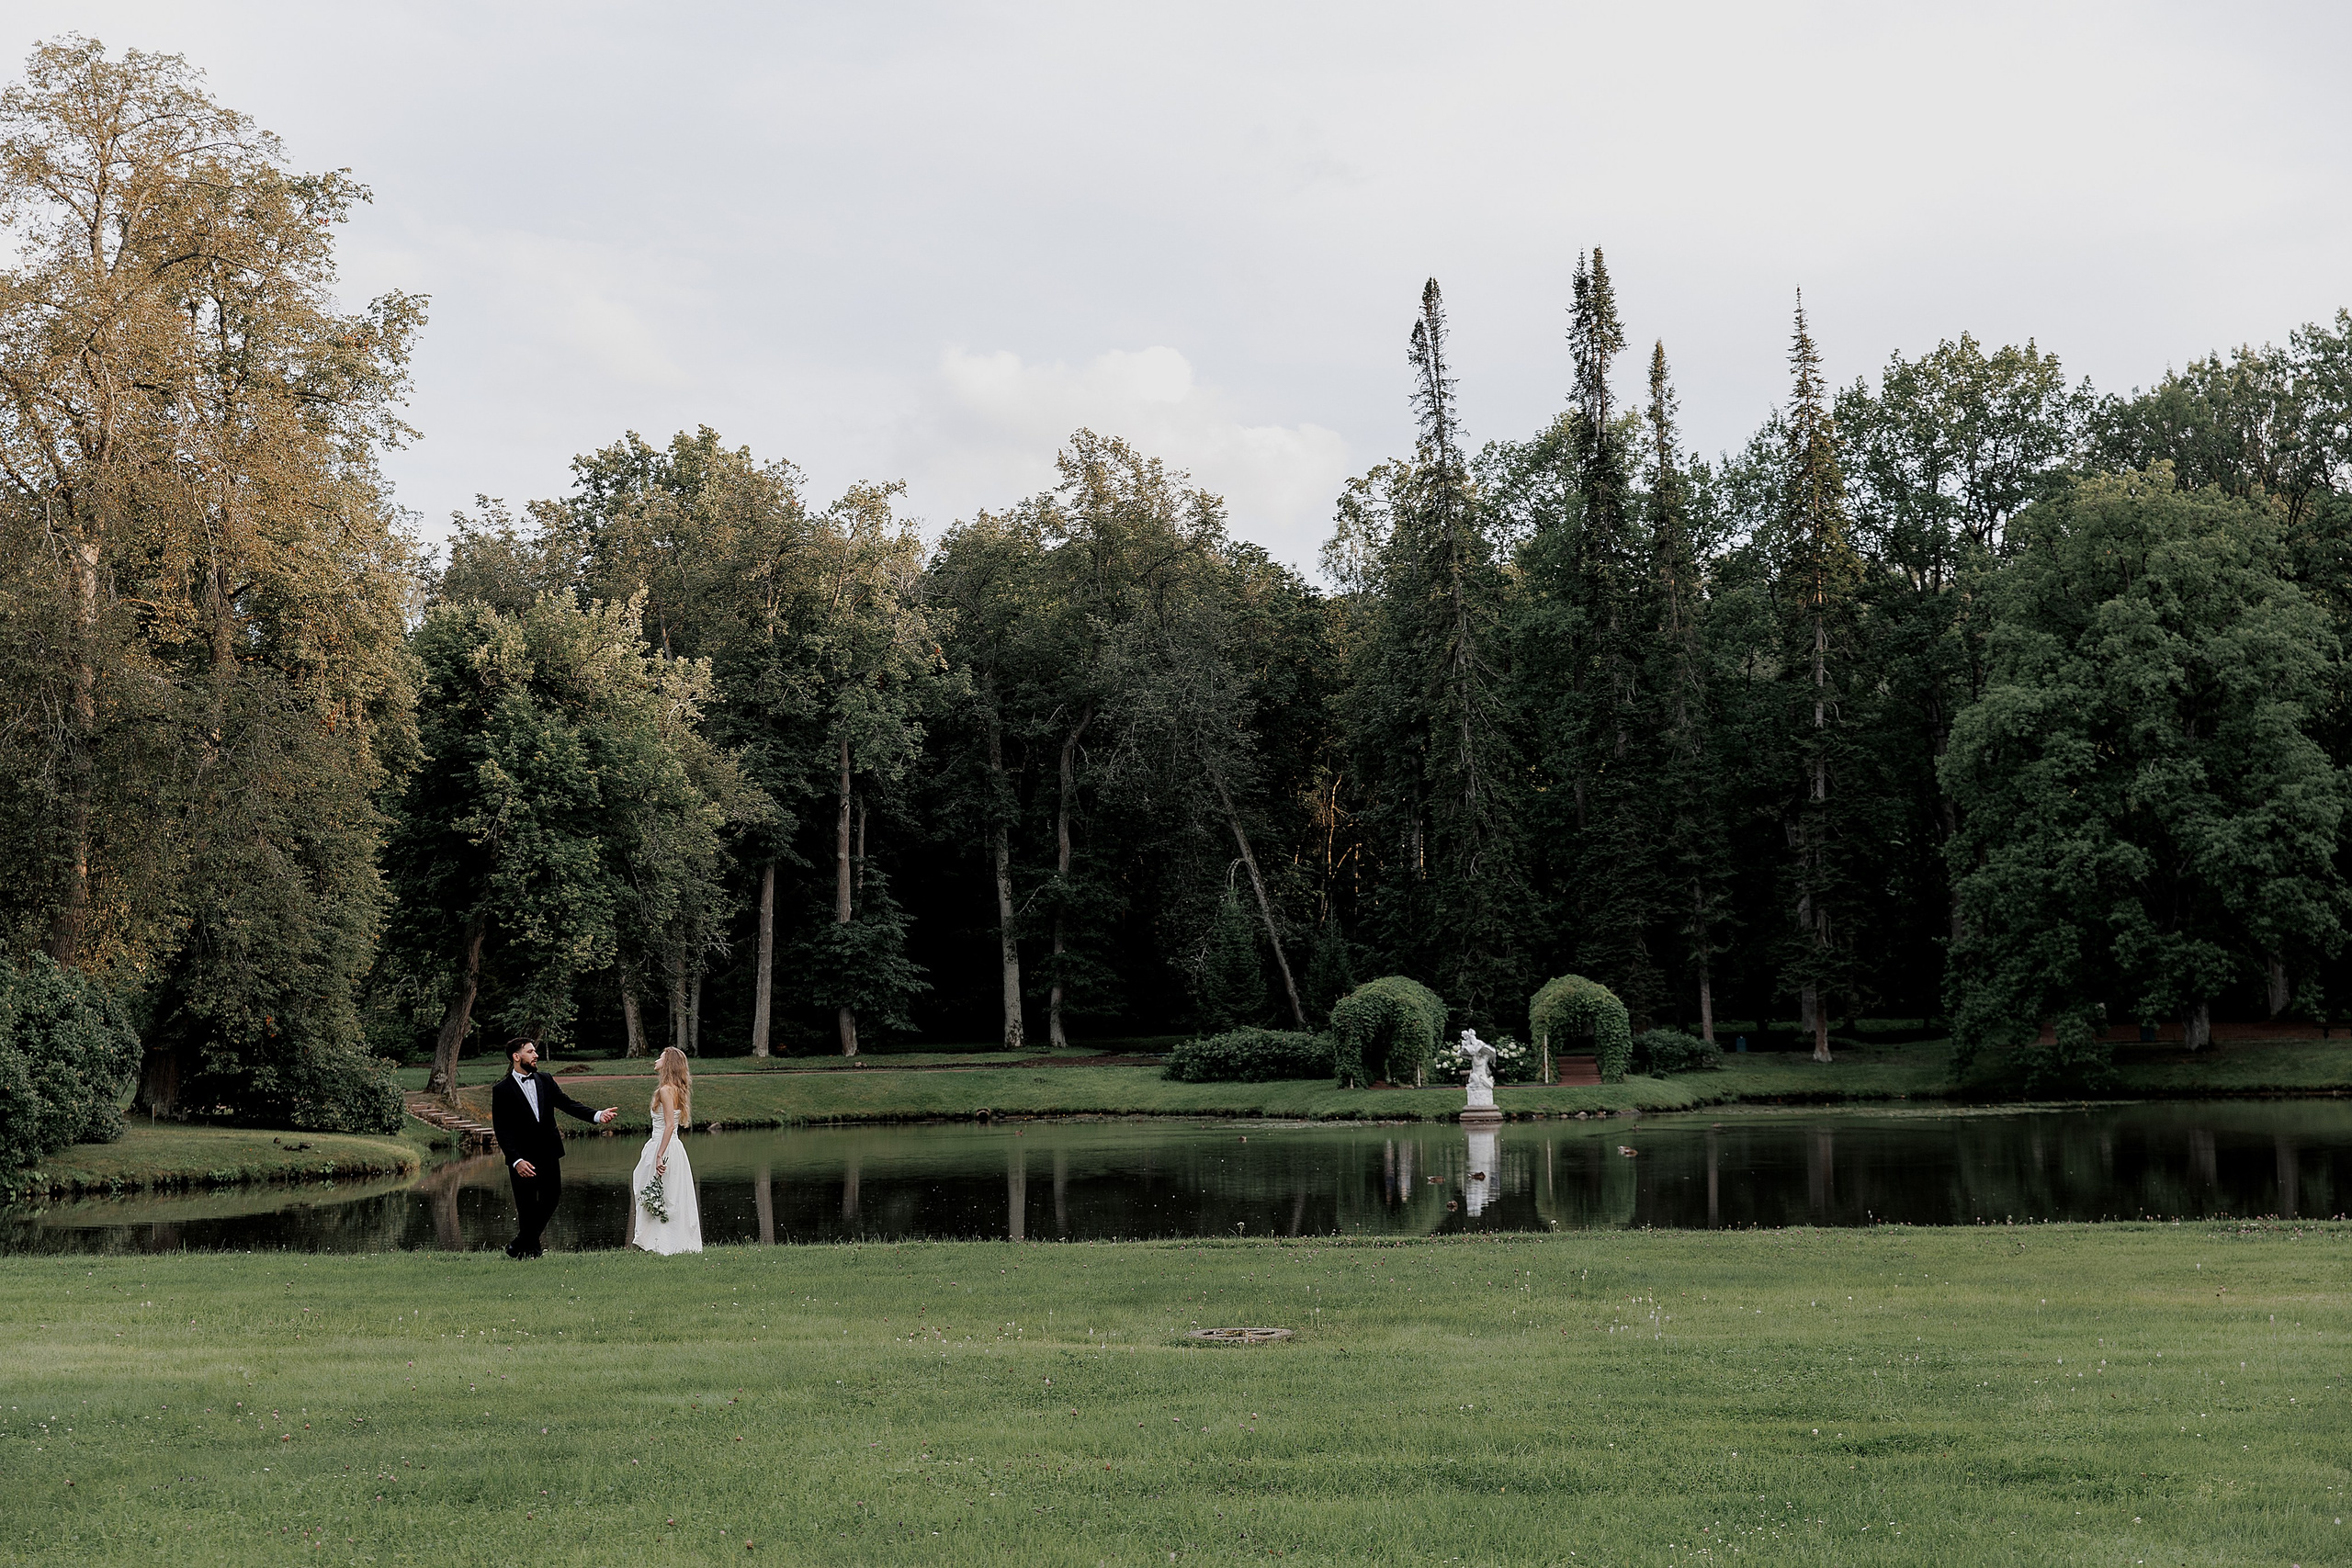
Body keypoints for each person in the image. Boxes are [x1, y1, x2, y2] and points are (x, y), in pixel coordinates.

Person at [488, 1037, 618, 1258]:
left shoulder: (545, 1080)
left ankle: (520, 1243)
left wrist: (597, 1115)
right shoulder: (502, 1090)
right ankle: (531, 1251)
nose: (535, 1055)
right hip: (522, 1159)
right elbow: (502, 1130)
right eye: (530, 1051)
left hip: (548, 1152)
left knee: (552, 1197)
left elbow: (568, 1104)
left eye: (535, 1051)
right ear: (516, 1057)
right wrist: (516, 1160)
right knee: (526, 1206)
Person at [628, 1047, 703, 1254]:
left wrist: (660, 1155)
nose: (656, 1059)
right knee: (669, 1194)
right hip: (674, 1146)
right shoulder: (675, 1089)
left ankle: (662, 1243)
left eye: (660, 1057)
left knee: (656, 1191)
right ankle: (667, 1241)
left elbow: (670, 1125)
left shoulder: (665, 1090)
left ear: (667, 1062)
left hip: (663, 1145)